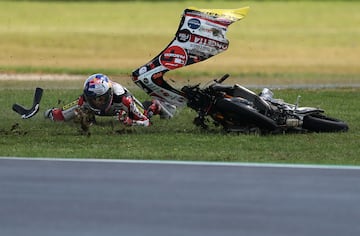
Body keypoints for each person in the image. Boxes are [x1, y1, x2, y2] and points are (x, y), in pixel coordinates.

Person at [44, 73, 165, 127]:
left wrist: (131, 122)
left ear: (109, 94)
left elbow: (146, 122)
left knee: (145, 113)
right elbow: (59, 115)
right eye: (93, 99)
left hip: (122, 107)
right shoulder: (83, 100)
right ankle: (91, 120)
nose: (98, 102)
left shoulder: (124, 99)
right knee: (79, 115)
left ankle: (156, 106)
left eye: (101, 99)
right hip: (101, 110)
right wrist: (50, 114)